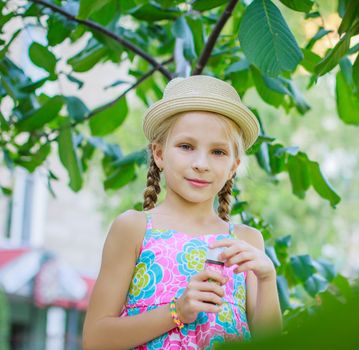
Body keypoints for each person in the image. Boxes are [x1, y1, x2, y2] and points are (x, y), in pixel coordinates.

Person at [82, 75, 282, 350]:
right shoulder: (134, 228)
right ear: (160, 154)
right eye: (186, 147)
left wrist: (267, 278)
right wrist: (178, 311)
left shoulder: (245, 242)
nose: (201, 163)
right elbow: (95, 340)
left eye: (218, 152)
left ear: (233, 166)